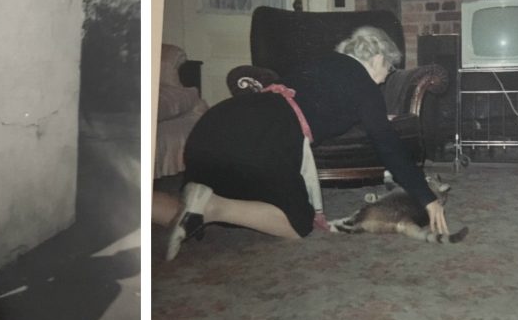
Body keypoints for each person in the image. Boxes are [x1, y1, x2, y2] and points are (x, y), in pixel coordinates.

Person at [161, 25, 450, 260]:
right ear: (377, 59)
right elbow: (389, 148)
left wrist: (371, 116)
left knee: (199, 197)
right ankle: (211, 207)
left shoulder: (320, 64)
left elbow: (318, 103)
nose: (385, 79)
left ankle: (144, 204)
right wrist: (427, 198)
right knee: (297, 223)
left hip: (219, 121)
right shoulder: (365, 85)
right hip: (266, 134)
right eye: (388, 69)